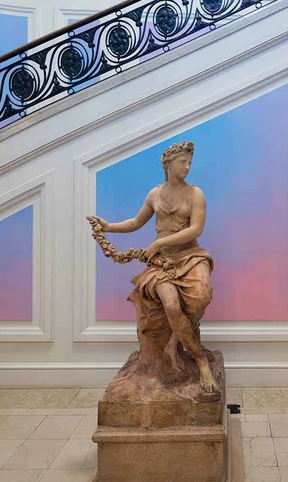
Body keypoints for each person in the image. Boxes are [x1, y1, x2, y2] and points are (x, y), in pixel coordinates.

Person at [93, 140, 216, 393]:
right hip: (162, 263)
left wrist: (159, 242)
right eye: (183, 162)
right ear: (169, 164)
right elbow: (136, 223)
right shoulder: (155, 194)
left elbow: (196, 229)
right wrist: (108, 227)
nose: (187, 167)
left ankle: (174, 343)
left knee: (201, 297)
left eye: (190, 162)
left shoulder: (196, 194)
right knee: (171, 304)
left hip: (191, 256)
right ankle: (200, 359)